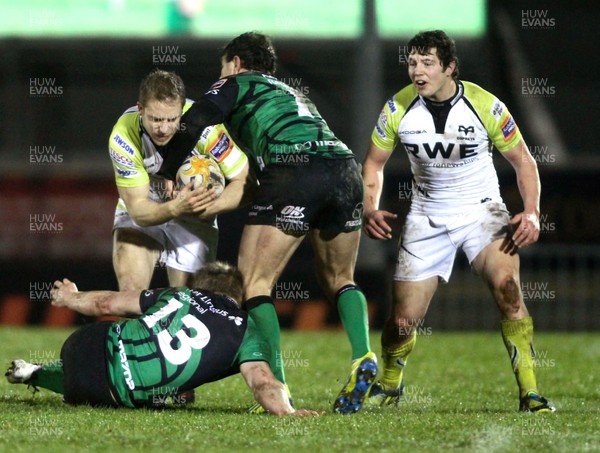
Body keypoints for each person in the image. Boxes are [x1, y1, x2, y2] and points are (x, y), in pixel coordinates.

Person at [157, 32, 377, 414]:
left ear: (237, 63)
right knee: (341, 279)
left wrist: (166, 169)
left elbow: (194, 123)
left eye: (223, 67)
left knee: (254, 283)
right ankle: (363, 356)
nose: (219, 76)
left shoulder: (234, 82)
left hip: (296, 171)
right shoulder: (289, 93)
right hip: (344, 169)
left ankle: (278, 391)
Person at [361, 30, 555, 413]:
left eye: (427, 63)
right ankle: (390, 383)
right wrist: (370, 206)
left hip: (481, 212)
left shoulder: (485, 104)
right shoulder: (398, 107)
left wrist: (531, 211)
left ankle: (530, 393)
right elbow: (373, 163)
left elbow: (524, 162)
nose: (417, 71)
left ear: (450, 67)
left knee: (508, 289)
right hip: (426, 216)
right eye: (413, 62)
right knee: (401, 322)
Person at [5, 262, 319, 416]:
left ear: (199, 285)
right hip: (108, 394)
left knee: (106, 358)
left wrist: (72, 298)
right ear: (238, 297)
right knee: (136, 387)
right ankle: (37, 373)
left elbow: (106, 304)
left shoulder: (178, 294)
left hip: (82, 345)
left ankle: (36, 372)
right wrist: (288, 414)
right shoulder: (247, 328)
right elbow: (263, 382)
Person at [109, 69, 254, 293]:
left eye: (172, 119)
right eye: (156, 119)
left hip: (194, 213)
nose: (164, 128)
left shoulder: (206, 127)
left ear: (181, 111)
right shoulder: (123, 136)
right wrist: (176, 206)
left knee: (188, 304)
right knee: (130, 295)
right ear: (140, 109)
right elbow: (137, 210)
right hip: (149, 202)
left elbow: (246, 182)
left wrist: (207, 207)